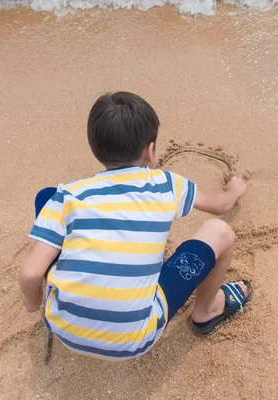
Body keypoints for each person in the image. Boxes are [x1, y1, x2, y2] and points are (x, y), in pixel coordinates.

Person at [19, 92, 253, 361]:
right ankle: (206, 311)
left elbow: (30, 274)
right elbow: (219, 206)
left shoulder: (70, 195)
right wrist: (235, 191)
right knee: (219, 232)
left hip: (62, 327)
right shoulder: (166, 184)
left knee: (45, 197)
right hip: (133, 341)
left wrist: (35, 305)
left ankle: (73, 295)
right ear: (150, 151)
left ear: (95, 148)